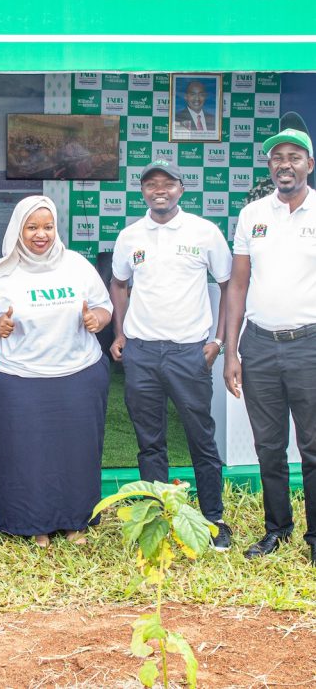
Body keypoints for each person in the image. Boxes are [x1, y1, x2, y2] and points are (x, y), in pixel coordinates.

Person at [0, 196, 112, 547]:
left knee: (78, 452)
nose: (41, 235)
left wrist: (97, 319)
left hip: (77, 372)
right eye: (32, 227)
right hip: (16, 379)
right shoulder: (0, 273)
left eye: (47, 227)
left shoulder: (77, 265)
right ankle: (34, 524)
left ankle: (76, 520)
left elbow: (103, 305)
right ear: (19, 230)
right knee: (24, 453)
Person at [110, 159, 233, 550]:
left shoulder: (204, 232)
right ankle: (158, 519)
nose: (158, 190)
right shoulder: (130, 236)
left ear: (181, 188)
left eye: (167, 183)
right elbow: (118, 284)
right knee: (150, 441)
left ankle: (213, 520)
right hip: (142, 352)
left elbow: (229, 286)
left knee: (201, 438)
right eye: (150, 184)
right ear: (142, 190)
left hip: (189, 351)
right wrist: (121, 334)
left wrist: (219, 341)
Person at [224, 129, 316, 565]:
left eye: (294, 156)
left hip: (310, 345)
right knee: (269, 447)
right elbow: (238, 285)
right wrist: (230, 351)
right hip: (258, 345)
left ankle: (315, 536)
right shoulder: (252, 215)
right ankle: (277, 530)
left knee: (314, 447)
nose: (285, 163)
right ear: (269, 167)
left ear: (309, 165)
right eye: (277, 157)